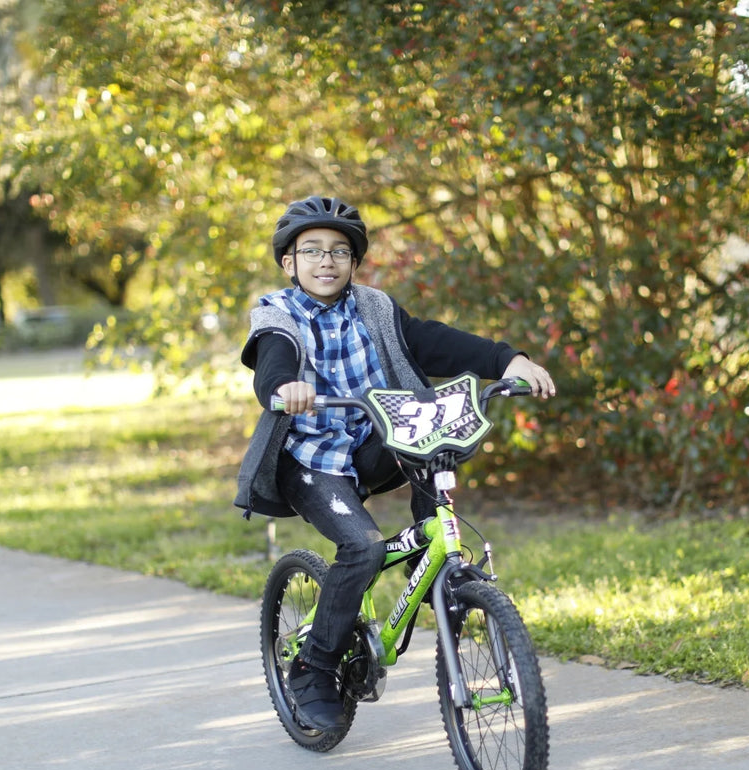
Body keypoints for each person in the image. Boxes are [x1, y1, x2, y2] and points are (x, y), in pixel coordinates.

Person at [235, 195, 555, 731]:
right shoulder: (277, 315)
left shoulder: (375, 308)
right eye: (311, 250)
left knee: (432, 430)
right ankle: (314, 666)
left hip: (370, 443)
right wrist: (284, 387)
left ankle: (433, 557)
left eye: (339, 251)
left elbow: (434, 341)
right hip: (311, 460)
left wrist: (508, 360)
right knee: (362, 548)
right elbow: (274, 359)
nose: (326, 261)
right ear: (289, 262)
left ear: (354, 262)